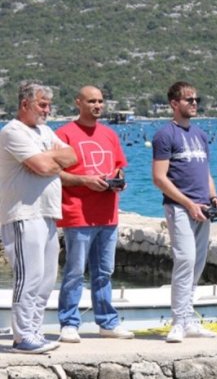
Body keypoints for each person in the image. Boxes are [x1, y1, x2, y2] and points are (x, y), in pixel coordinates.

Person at [0, 82, 77, 353]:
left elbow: (72, 156)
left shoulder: (45, 131)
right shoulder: (12, 131)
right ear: (25, 104)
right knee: (28, 276)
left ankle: (34, 330)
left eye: (48, 105)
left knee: (46, 278)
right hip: (24, 213)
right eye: (42, 104)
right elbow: (44, 166)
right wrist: (50, 160)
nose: (47, 110)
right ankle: (22, 336)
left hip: (48, 213)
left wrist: (47, 158)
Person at [56, 85, 134, 342]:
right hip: (78, 214)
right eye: (91, 101)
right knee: (75, 271)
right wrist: (85, 181)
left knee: (104, 272)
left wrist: (119, 180)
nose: (97, 105)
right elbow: (55, 173)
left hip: (108, 214)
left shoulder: (109, 134)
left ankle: (107, 323)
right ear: (78, 103)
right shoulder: (64, 134)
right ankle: (69, 323)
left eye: (100, 101)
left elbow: (119, 166)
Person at [152, 81, 217, 343]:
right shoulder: (165, 135)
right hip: (179, 208)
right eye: (188, 99)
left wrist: (214, 198)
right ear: (174, 103)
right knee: (185, 260)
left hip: (203, 208)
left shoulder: (200, 135)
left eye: (196, 100)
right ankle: (178, 321)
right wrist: (188, 204)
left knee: (198, 263)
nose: (194, 103)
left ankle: (189, 317)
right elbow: (159, 178)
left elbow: (206, 173)